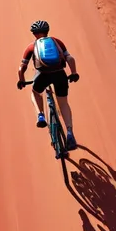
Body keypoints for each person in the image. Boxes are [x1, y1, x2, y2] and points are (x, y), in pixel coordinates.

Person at [17, 20, 79, 151]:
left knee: (35, 92)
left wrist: (21, 80)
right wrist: (74, 73)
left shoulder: (31, 46)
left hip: (42, 76)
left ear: (34, 34)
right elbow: (70, 58)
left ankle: (40, 115)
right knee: (63, 103)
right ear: (47, 31)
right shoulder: (57, 42)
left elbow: (21, 67)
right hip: (60, 75)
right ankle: (69, 132)